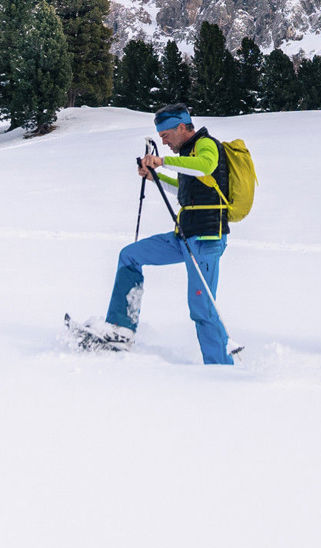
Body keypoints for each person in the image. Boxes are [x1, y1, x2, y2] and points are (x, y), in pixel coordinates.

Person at [83, 105, 235, 365]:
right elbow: (183, 191)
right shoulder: (187, 154)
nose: (163, 142)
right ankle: (120, 329)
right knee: (130, 256)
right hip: (183, 238)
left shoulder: (207, 145)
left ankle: (220, 368)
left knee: (202, 309)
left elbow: (206, 167)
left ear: (181, 127)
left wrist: (162, 161)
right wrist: (154, 176)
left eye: (165, 135)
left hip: (206, 241)